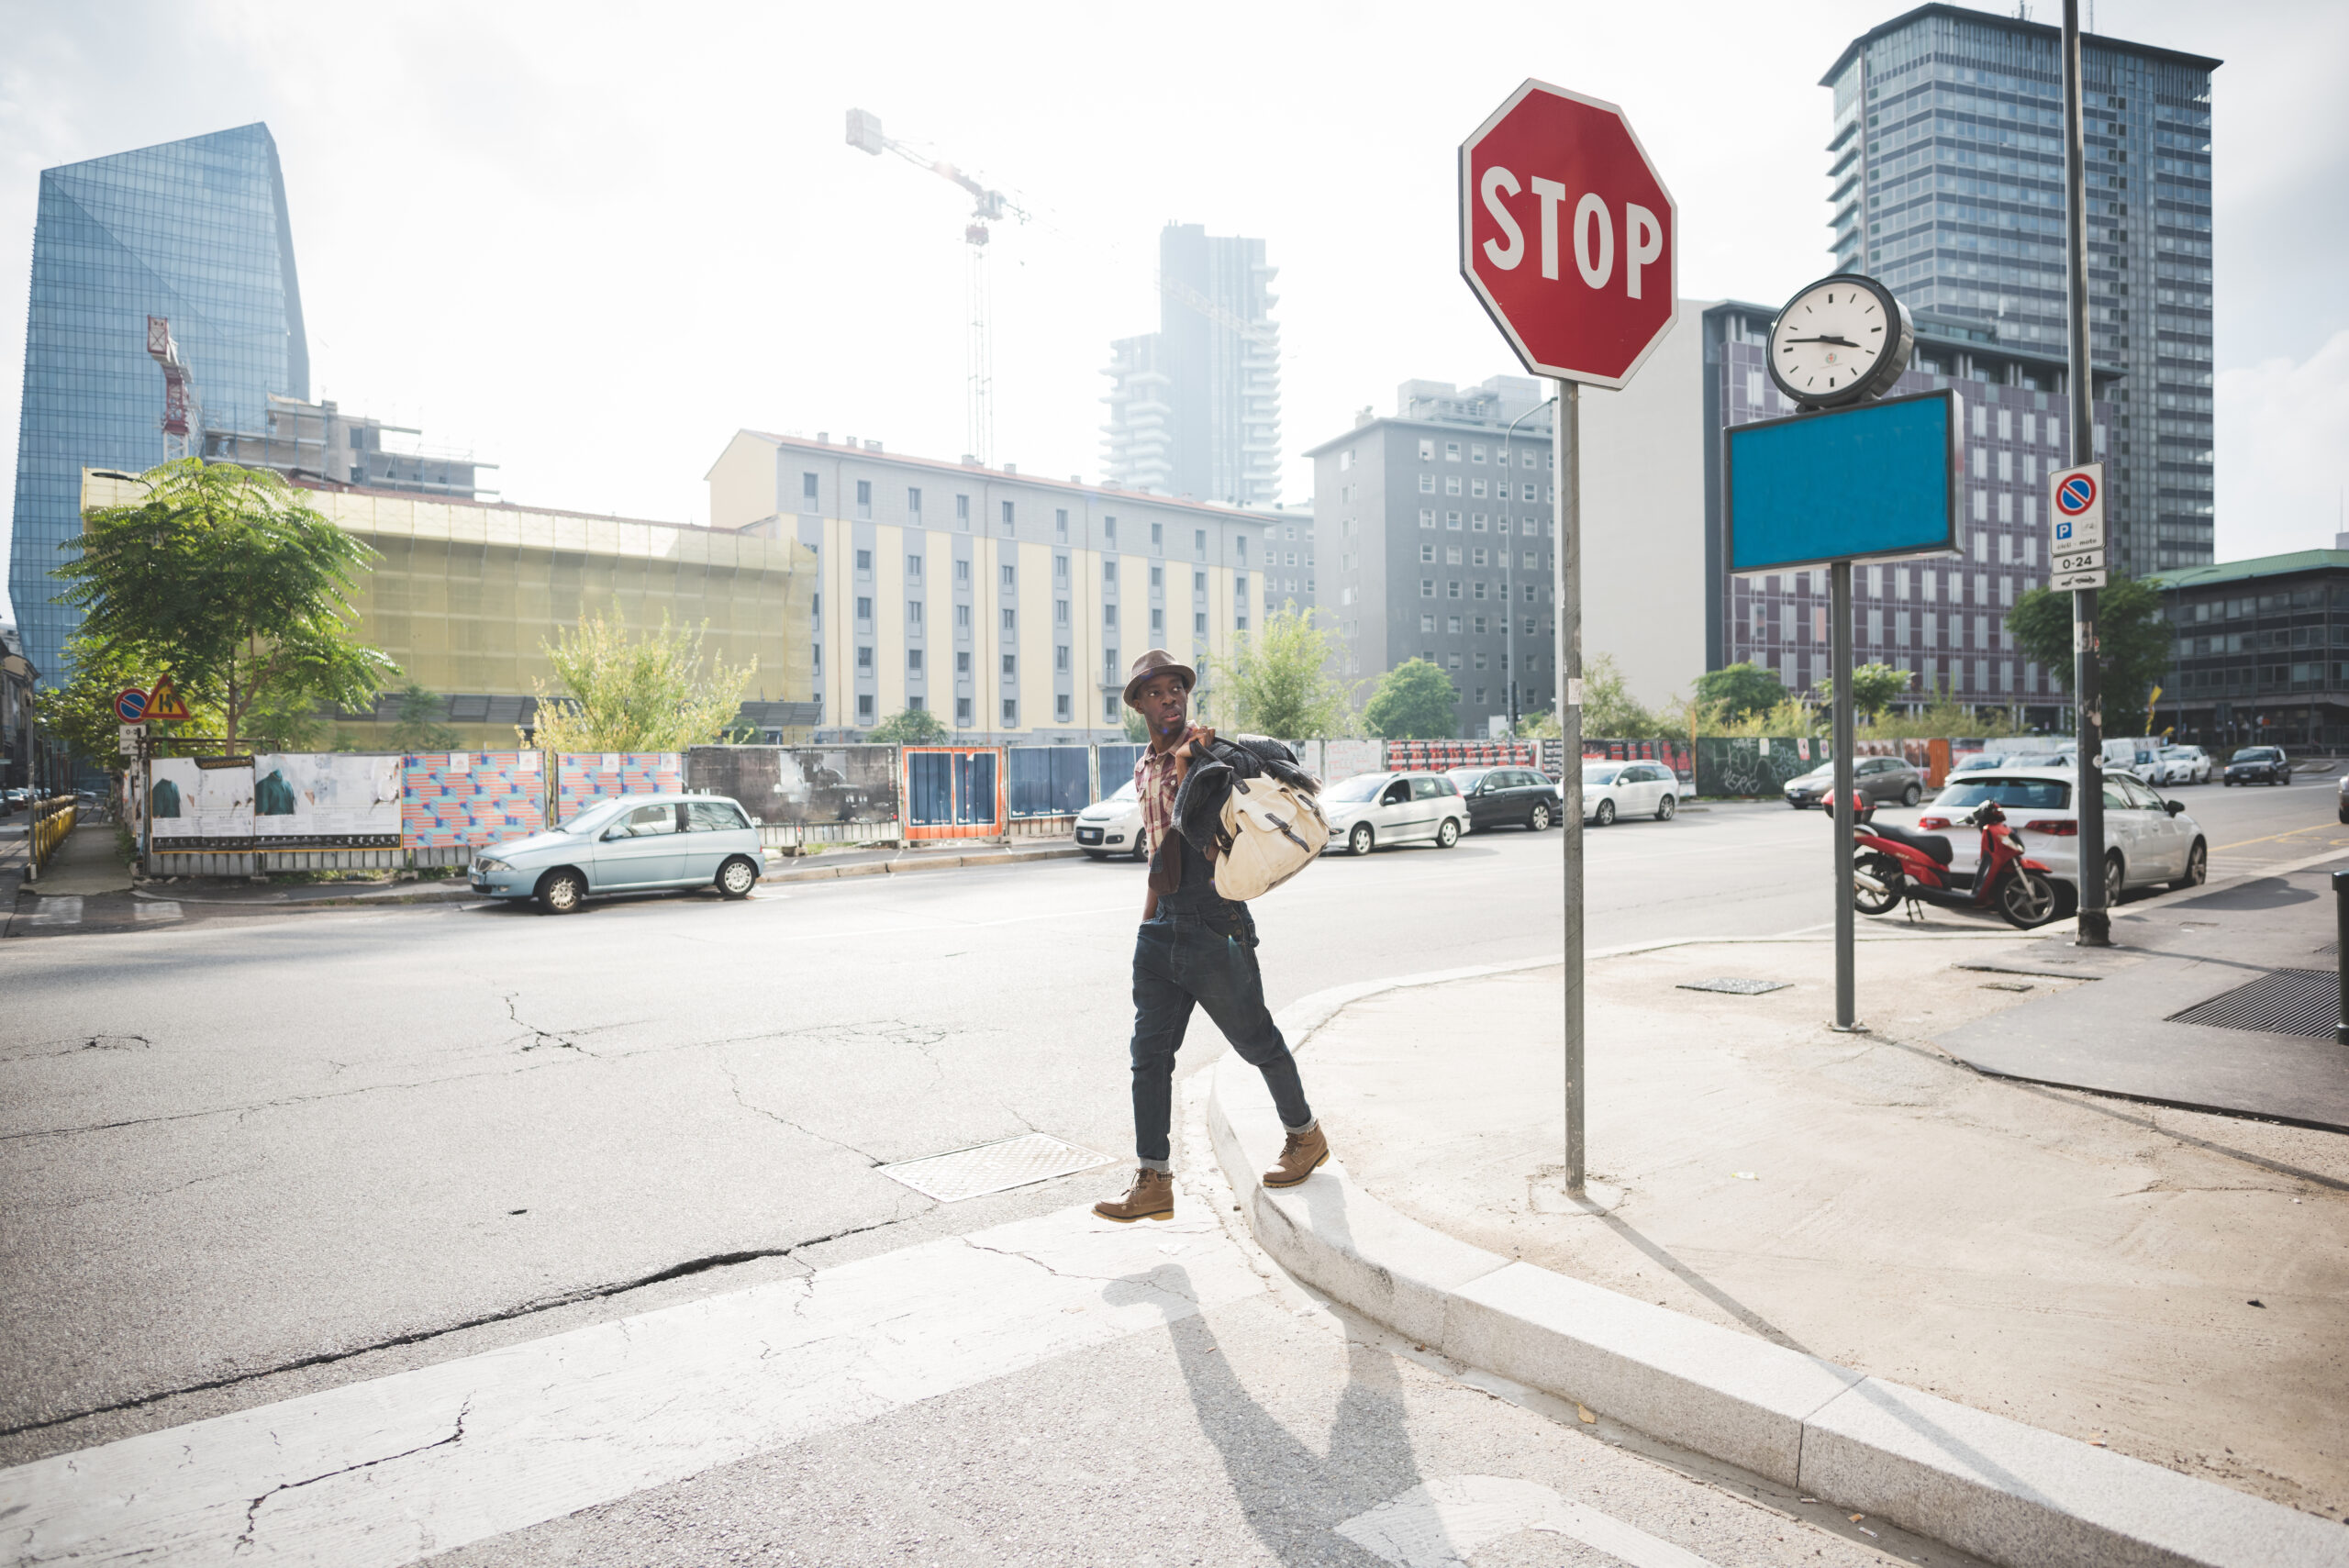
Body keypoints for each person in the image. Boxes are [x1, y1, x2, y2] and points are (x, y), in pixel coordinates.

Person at [1094, 649, 1329, 1223]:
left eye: (1176, 689)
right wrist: (1145, 924)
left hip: (1214, 923)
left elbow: (1226, 844)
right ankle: (1153, 1179)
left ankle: (1306, 1135)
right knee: (1148, 1059)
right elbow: (1156, 850)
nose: (1168, 698)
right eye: (1155, 692)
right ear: (1139, 705)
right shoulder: (1144, 768)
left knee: (1257, 1042)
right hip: (1161, 930)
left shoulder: (1214, 757)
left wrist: (1193, 770)